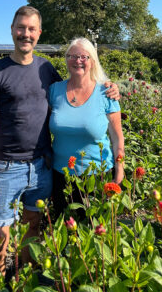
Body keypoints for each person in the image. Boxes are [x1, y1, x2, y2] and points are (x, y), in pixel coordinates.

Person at [0, 6, 120, 281]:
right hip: (7, 167)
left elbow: (78, 84)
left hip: (43, 167)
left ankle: (25, 281)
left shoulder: (45, 69)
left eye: (32, 29)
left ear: (39, 33)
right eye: (21, 27)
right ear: (12, 29)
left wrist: (109, 86)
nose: (25, 34)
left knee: (33, 229)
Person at [49, 37, 124, 217]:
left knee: (95, 231)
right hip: (61, 175)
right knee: (64, 229)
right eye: (72, 56)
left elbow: (117, 137)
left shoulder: (106, 93)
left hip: (98, 175)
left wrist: (120, 169)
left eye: (84, 56)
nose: (78, 61)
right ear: (66, 60)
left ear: (93, 60)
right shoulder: (54, 90)